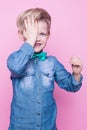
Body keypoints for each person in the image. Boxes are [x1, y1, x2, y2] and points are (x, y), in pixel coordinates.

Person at [7, 8, 83, 130]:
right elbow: (16, 68)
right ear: (21, 34)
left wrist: (76, 74)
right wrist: (29, 42)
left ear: (48, 35)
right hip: (20, 127)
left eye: (42, 34)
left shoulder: (52, 62)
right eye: (32, 34)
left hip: (48, 126)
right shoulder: (15, 59)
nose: (37, 39)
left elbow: (71, 85)